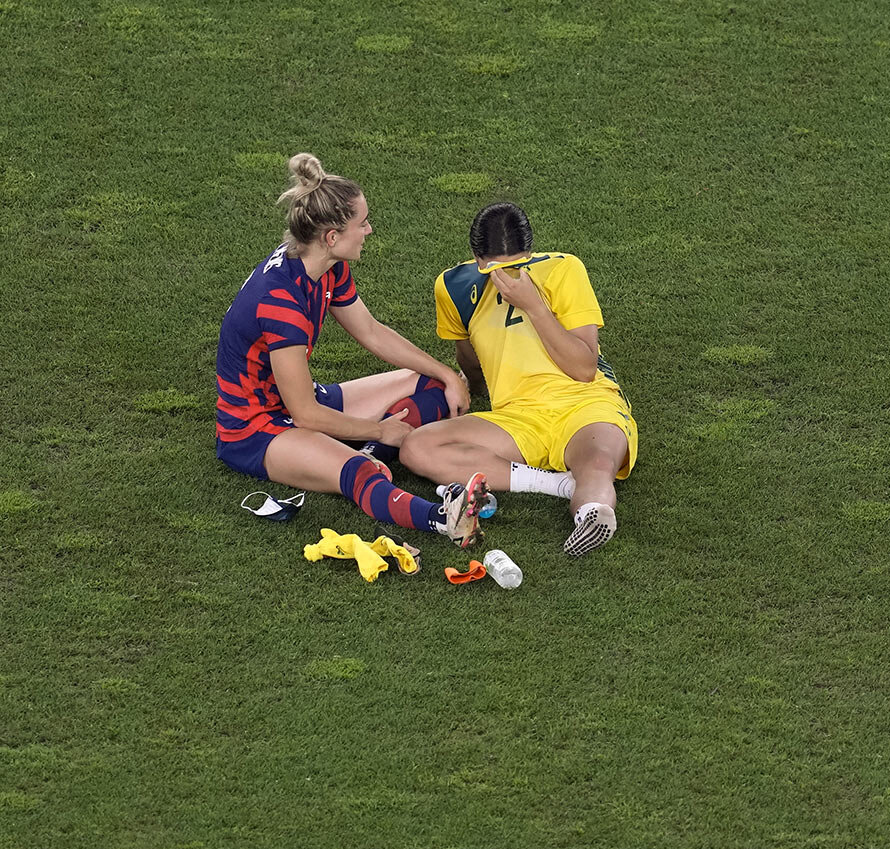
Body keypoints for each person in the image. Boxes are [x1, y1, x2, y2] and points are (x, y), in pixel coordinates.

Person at [214, 153, 488, 547]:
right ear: (331, 236)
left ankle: (374, 450)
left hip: (300, 400)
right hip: (256, 429)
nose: (369, 230)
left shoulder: (324, 264)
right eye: (362, 223)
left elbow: (372, 332)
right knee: (358, 473)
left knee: (428, 384)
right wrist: (380, 428)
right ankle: (444, 519)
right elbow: (304, 415)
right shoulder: (281, 303)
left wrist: (447, 374)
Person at [399, 202, 638, 556]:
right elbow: (469, 359)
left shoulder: (563, 269)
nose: (511, 274)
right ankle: (558, 485)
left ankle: (590, 514)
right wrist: (467, 387)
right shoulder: (452, 285)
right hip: (516, 418)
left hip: (585, 403)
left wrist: (535, 306)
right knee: (417, 447)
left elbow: (585, 368)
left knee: (599, 464)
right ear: (478, 262)